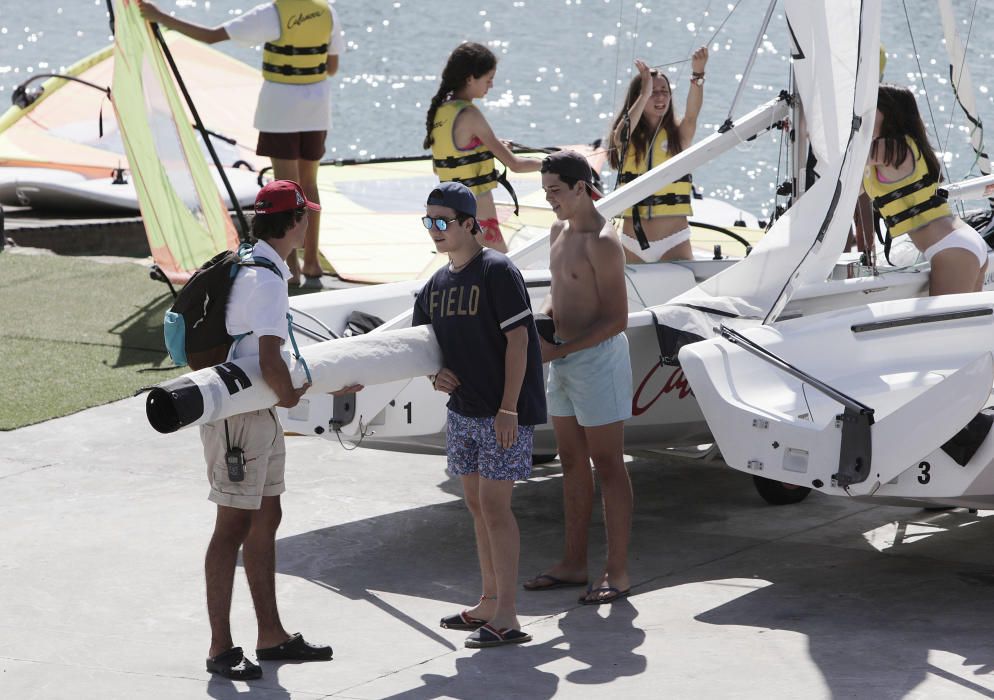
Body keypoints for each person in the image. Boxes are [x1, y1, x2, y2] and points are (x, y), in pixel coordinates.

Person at [196, 180, 356, 680]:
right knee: (233, 527)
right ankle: (221, 648)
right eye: (305, 216)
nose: (308, 223)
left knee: (267, 514)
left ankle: (272, 636)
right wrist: (294, 395)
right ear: (293, 223)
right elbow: (269, 359)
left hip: (251, 410)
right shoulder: (266, 279)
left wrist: (284, 395)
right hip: (241, 417)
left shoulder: (256, 262)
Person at [413, 181, 546, 647]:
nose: (434, 231)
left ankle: (508, 616)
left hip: (502, 412)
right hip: (464, 411)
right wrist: (436, 375)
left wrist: (509, 408)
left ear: (470, 224)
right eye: (428, 222)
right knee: (475, 505)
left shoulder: (497, 271)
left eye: (442, 222)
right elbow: (423, 347)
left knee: (495, 506)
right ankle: (488, 601)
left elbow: (520, 340)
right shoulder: (436, 284)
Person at [137, 0, 345, 288]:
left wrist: (160, 16)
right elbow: (332, 67)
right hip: (317, 108)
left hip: (280, 109)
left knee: (287, 187)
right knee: (309, 185)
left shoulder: (271, 13)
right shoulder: (327, 12)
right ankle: (311, 262)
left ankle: (291, 268)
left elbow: (211, 35)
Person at [524, 151, 634, 605]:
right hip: (562, 359)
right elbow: (557, 293)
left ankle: (619, 572)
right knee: (571, 461)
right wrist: (539, 332)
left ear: (580, 187)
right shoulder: (557, 231)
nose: (549, 199)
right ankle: (573, 563)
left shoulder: (603, 242)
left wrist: (561, 350)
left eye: (555, 190)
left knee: (608, 464)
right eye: (545, 190)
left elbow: (618, 319)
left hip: (597, 360)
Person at [863, 84, 989, 294]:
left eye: (869, 108)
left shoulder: (893, 149)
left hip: (952, 250)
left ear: (887, 113)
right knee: (960, 327)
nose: (863, 114)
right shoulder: (903, 147)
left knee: (945, 327)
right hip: (959, 244)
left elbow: (847, 155)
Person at [424, 42, 543, 254]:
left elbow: (439, 167)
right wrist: (550, 163)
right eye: (488, 80)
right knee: (503, 266)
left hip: (450, 211)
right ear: (470, 78)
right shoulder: (470, 114)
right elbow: (515, 165)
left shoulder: (441, 112)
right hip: (476, 212)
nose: (491, 86)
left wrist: (482, 149)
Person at [608, 48, 709, 263]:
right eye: (653, 92)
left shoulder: (679, 134)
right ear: (639, 98)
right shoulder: (626, 136)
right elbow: (621, 134)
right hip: (631, 241)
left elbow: (692, 114)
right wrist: (645, 93)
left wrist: (698, 74)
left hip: (674, 241)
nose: (661, 96)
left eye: (665, 91)